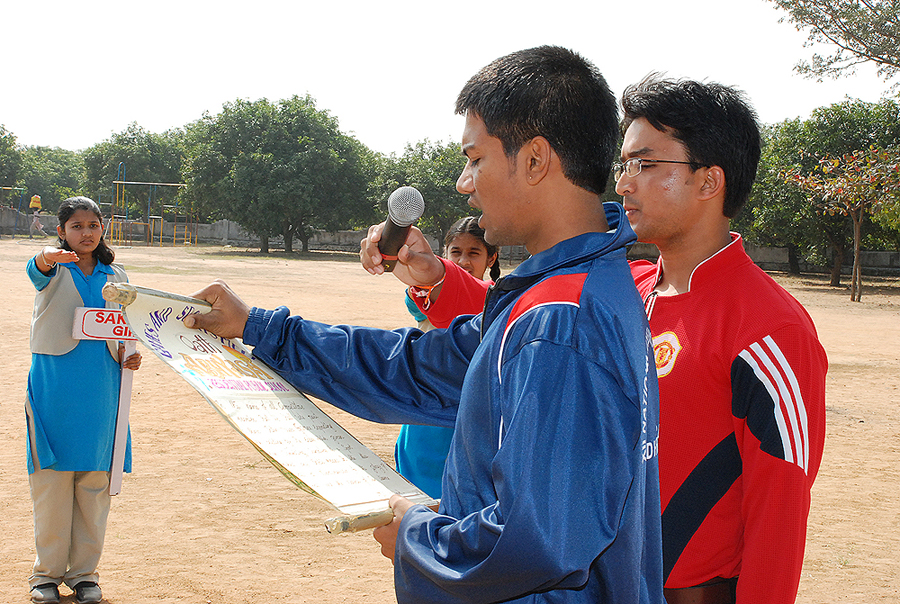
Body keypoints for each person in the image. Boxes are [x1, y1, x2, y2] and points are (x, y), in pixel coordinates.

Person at [185, 46, 664, 603]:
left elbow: (538, 540)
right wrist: (259, 328)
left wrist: (418, 534)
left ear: (535, 160)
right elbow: (417, 368)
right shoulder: (575, 288)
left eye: (475, 158)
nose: (464, 182)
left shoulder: (559, 320)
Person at [380, 75, 828, 604]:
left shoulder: (770, 329)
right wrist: (436, 276)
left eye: (645, 164)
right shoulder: (622, 288)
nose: (623, 184)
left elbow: (779, 517)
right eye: (624, 164)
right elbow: (510, 327)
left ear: (710, 182)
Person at [26, 196, 142, 604]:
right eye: (76, 226)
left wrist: (130, 354)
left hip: (103, 389)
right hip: (55, 386)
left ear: (103, 228)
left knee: (95, 483)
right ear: (61, 231)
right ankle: (45, 576)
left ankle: (84, 575)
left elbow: (125, 327)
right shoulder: (52, 267)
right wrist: (47, 254)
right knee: (52, 481)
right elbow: (36, 266)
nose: (86, 233)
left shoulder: (117, 274)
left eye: (92, 225)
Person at [395, 216, 499, 499]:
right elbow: (420, 291)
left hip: (471, 414)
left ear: (491, 258)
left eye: (474, 253)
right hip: (425, 412)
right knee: (415, 495)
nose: (464, 261)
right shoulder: (427, 293)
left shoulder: (498, 300)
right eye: (456, 252)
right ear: (444, 254)